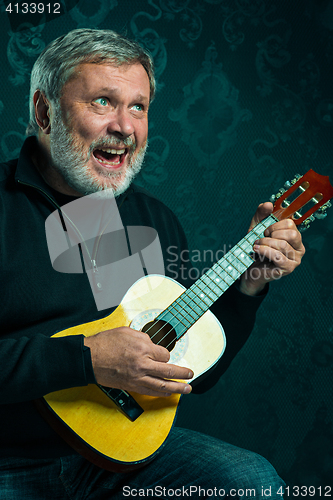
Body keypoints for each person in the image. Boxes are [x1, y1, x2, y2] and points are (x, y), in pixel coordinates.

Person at [0, 28, 305, 499]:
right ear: (45, 111)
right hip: (8, 459)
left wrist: (249, 284)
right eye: (103, 101)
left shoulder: (152, 220)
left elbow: (192, 372)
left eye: (138, 107)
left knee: (251, 482)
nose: (125, 127)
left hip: (121, 457)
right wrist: (84, 361)